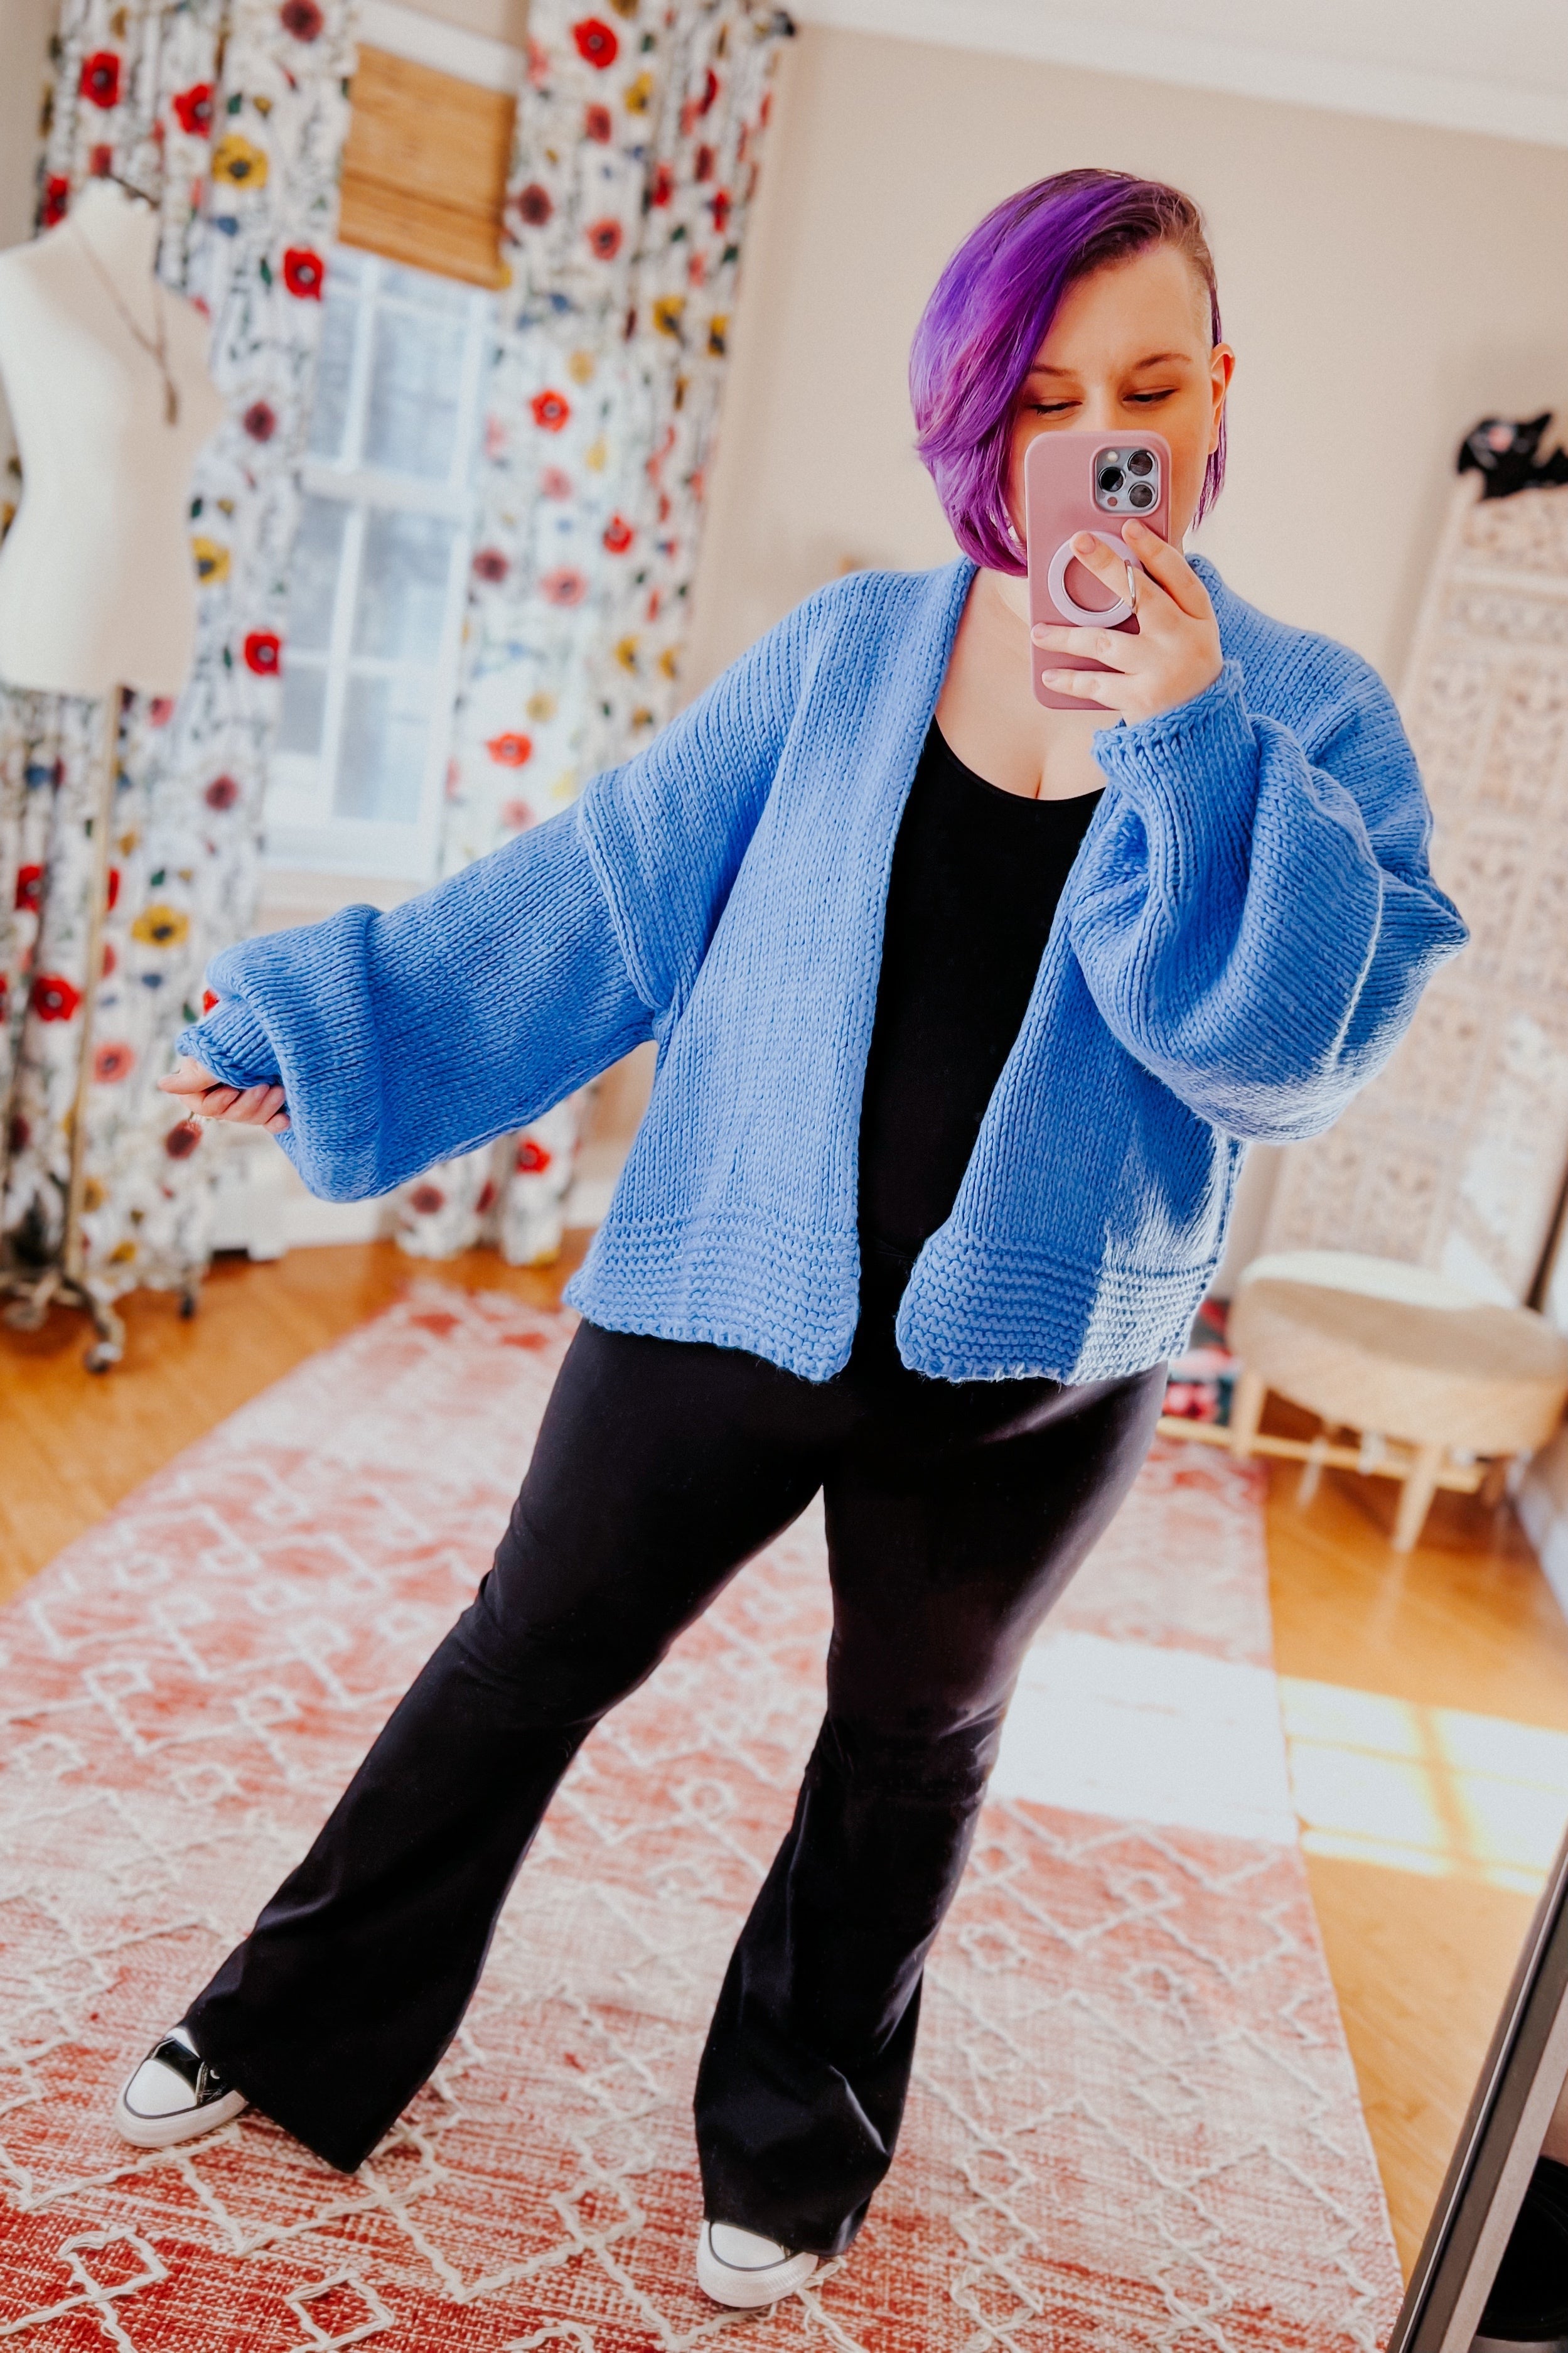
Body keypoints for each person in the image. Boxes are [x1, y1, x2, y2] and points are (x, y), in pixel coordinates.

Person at [114, 168, 1466, 2308]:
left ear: (1220, 392)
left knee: (906, 1748)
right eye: (1040, 393)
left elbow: (1282, 1052)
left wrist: (1187, 747)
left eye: (1146, 383)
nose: (1096, 435)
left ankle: (791, 2126)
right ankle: (287, 2022)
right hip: (724, 1280)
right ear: (974, 418)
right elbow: (609, 899)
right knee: (520, 1652)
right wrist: (326, 1016)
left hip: (1038, 1352)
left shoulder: (1306, 725)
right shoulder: (850, 654)